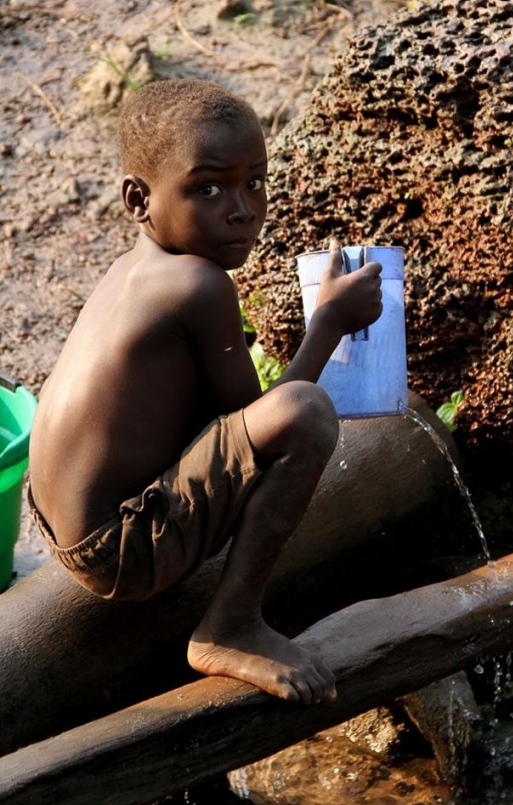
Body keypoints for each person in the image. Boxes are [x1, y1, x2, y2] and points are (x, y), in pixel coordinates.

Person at [28, 78, 382, 705]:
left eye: (256, 182)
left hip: (59, 525)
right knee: (308, 413)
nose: (242, 208)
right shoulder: (198, 284)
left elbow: (226, 423)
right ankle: (231, 626)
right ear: (139, 199)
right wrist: (328, 322)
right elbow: (271, 421)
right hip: (119, 552)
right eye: (209, 188)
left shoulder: (135, 268)